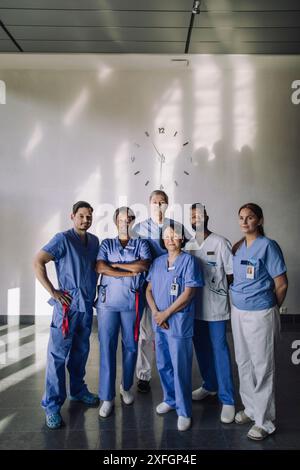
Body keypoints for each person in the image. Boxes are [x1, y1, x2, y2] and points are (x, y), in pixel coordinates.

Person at [34, 201, 100, 429]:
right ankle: (51, 406)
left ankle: (78, 390)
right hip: (67, 308)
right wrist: (53, 290)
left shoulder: (94, 241)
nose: (85, 220)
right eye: (81, 215)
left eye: (89, 216)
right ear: (72, 216)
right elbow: (38, 261)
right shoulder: (62, 239)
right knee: (57, 356)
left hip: (86, 307)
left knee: (81, 352)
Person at [230, 203, 288, 440]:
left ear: (260, 220)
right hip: (238, 312)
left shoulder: (268, 246)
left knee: (262, 365)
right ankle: (251, 408)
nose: (245, 222)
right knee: (243, 361)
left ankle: (265, 420)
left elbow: (281, 283)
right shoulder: (239, 247)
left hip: (261, 313)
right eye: (241, 217)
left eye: (250, 218)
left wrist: (269, 305)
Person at [146, 221, 204, 431]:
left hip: (178, 322)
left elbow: (189, 293)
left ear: (182, 238)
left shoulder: (189, 261)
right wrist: (155, 313)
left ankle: (184, 410)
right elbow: (149, 290)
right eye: (167, 235)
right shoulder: (158, 262)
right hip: (159, 321)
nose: (170, 239)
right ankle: (170, 399)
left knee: (180, 367)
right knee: (163, 363)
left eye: (175, 235)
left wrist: (166, 313)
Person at [95, 207, 152, 418]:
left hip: (132, 302)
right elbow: (100, 267)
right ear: (115, 221)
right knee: (107, 347)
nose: (125, 222)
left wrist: (116, 265)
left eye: (129, 219)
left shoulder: (141, 243)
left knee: (130, 346)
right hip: (107, 303)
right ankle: (107, 397)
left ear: (133, 221)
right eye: (121, 219)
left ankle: (126, 387)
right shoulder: (106, 243)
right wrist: (129, 268)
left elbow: (143, 266)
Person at [134, 190, 190, 393]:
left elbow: (188, 254)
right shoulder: (139, 229)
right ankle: (143, 375)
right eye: (155, 202)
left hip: (174, 291)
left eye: (163, 202)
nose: (159, 205)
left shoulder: (176, 227)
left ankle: (175, 373)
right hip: (148, 287)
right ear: (149, 204)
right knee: (146, 333)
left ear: (168, 205)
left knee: (173, 334)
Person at [185, 203, 235, 424]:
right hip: (194, 309)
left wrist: (218, 290)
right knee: (202, 349)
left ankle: (228, 399)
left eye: (199, 214)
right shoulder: (187, 245)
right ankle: (210, 385)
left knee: (220, 350)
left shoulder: (221, 242)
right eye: (192, 214)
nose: (196, 217)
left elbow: (231, 275)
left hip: (215, 308)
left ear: (207, 216)